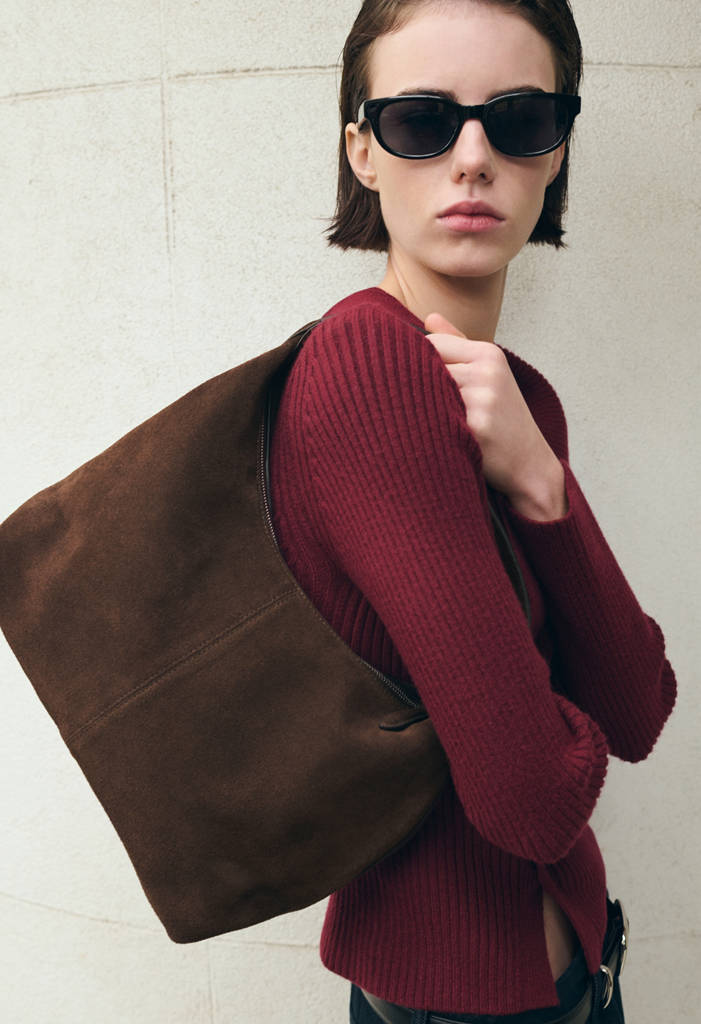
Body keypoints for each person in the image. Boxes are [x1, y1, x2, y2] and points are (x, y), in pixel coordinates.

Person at [268, 1, 677, 1021]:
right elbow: (533, 800)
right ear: (362, 153)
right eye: (421, 121)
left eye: (519, 119)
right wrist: (540, 721)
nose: (473, 158)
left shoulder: (516, 401)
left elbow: (637, 713)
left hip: (576, 974)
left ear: (557, 151)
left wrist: (541, 484)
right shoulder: (370, 367)